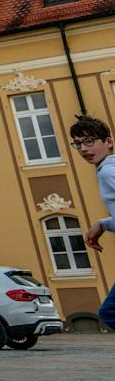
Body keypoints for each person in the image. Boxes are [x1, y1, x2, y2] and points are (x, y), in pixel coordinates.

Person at [68, 115, 115, 331]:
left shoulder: (108, 172)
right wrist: (104, 224)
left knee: (110, 312)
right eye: (78, 144)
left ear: (109, 142)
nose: (84, 149)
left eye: (89, 141)